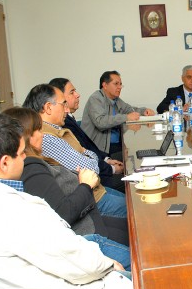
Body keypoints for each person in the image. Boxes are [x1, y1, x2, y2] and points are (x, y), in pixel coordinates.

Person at [0, 113, 134, 289]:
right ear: (5, 163)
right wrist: (108, 265)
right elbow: (78, 262)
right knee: (153, 284)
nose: (25, 158)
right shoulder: (19, 210)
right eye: (21, 153)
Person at [3, 107, 130, 270]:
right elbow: (63, 213)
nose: (42, 135)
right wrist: (85, 185)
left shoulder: (37, 160)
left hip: (89, 220)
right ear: (25, 137)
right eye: (37, 131)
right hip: (85, 234)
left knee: (133, 231)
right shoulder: (31, 167)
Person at [23, 84, 128, 219]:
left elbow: (87, 156)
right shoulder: (47, 137)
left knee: (131, 199)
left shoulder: (57, 130)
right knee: (137, 209)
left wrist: (87, 154)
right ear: (48, 107)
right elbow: (91, 169)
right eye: (63, 104)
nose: (66, 109)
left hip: (96, 191)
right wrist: (86, 154)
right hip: (91, 200)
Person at [49, 77, 125, 193]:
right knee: (132, 180)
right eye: (72, 92)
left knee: (129, 159)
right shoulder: (63, 125)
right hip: (95, 178)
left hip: (99, 163)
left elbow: (88, 147)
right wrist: (112, 168)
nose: (78, 95)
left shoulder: (69, 119)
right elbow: (84, 156)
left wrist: (107, 159)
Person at [82, 70, 155, 159]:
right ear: (105, 85)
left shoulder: (116, 100)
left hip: (115, 146)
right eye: (116, 84)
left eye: (120, 84)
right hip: (98, 150)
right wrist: (126, 117)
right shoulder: (96, 99)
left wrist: (144, 111)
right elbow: (100, 122)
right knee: (135, 159)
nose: (120, 87)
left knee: (141, 153)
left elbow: (130, 110)